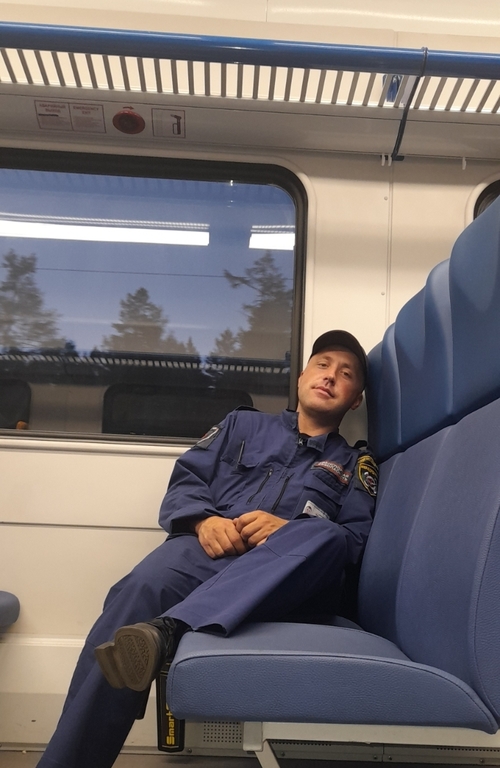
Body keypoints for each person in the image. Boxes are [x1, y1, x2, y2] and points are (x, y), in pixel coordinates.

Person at [37, 330, 377, 768]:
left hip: (285, 579)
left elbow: (353, 542)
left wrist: (288, 531)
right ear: (301, 377)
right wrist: (203, 520)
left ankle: (169, 629)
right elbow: (187, 480)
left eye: (345, 374)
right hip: (210, 551)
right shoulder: (241, 425)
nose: (330, 376)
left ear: (356, 400)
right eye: (322, 364)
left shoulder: (355, 464)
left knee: (325, 535)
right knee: (138, 591)